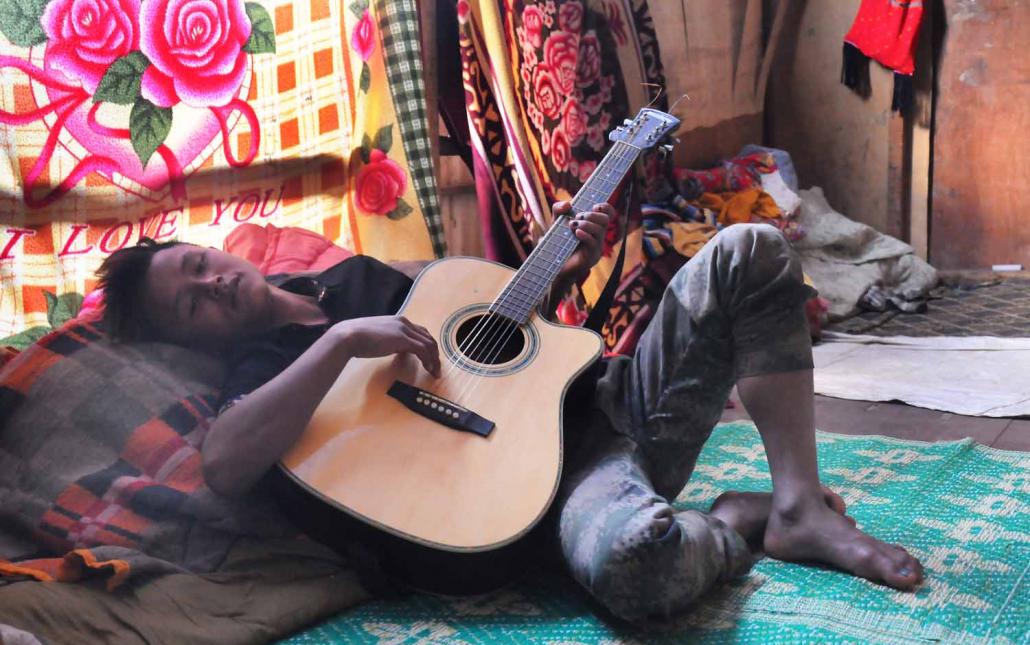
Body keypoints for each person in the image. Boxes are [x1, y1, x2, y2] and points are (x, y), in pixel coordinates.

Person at [94, 199, 923, 622]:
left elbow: (497, 332)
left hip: (613, 405)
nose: (212, 284)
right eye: (191, 303)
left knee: (751, 248)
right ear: (185, 340)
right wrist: (342, 342)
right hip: (551, 495)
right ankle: (737, 522)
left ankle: (797, 502)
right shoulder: (264, 369)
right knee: (638, 568)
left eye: (199, 263)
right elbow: (226, 461)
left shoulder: (357, 275)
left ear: (220, 246)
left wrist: (567, 267)